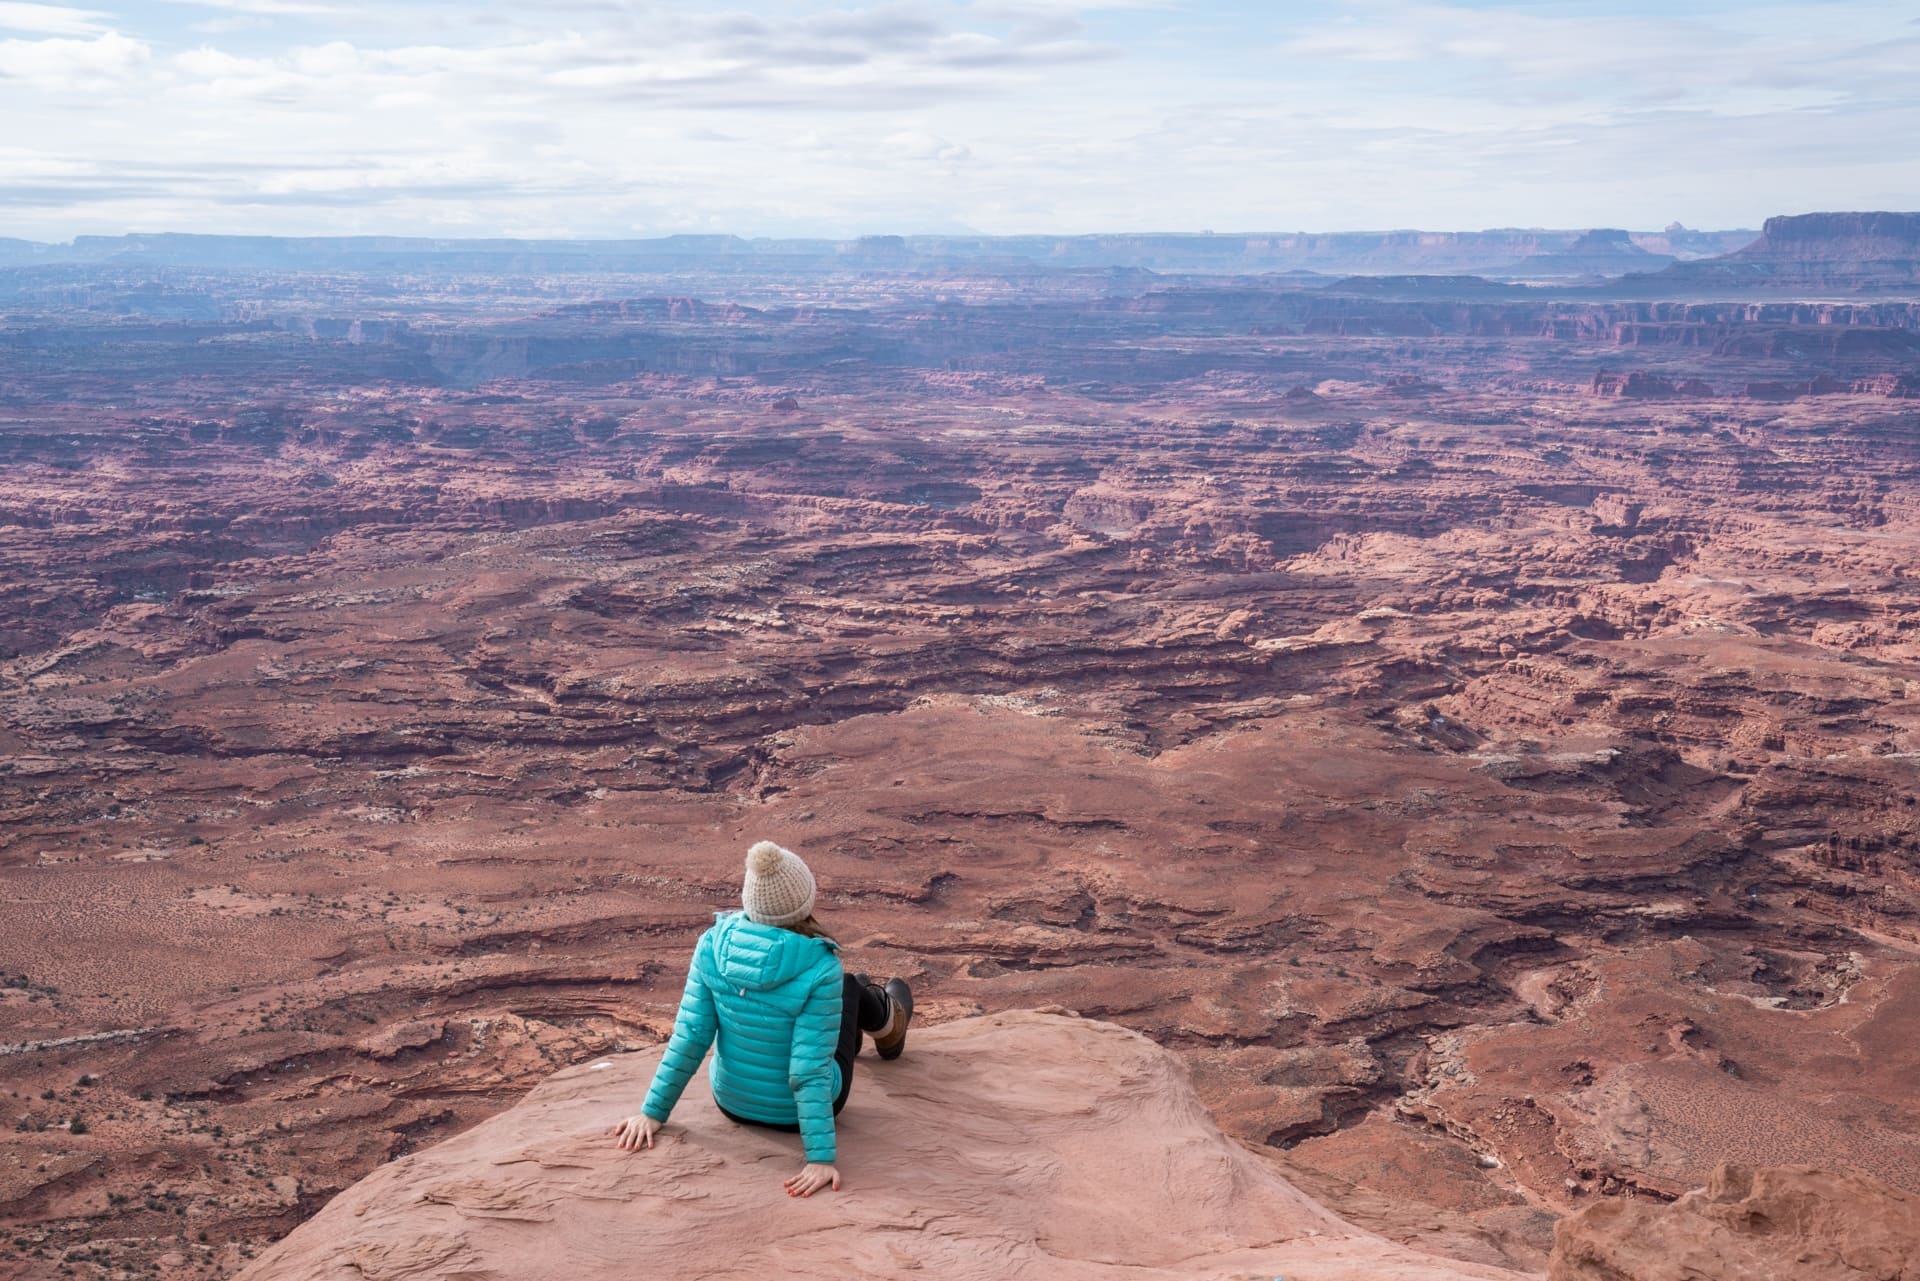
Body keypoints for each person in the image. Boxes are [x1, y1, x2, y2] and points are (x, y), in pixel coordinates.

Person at [607, 841, 913, 1197]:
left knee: (844, 992)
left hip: (732, 1104)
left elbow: (691, 1036)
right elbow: (808, 1070)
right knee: (851, 984)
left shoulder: (710, 945)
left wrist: (652, 1113)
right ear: (804, 901)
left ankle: (865, 1023)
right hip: (794, 1117)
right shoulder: (821, 966)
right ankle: (890, 1026)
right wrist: (820, 1157)